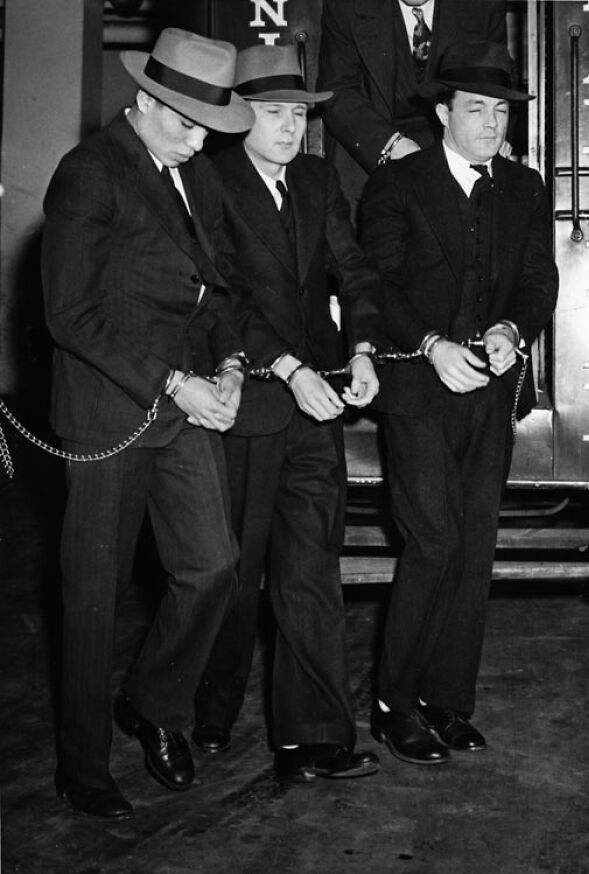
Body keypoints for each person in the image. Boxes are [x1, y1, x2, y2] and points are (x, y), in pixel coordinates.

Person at [42, 28, 262, 820]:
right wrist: (175, 382)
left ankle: (154, 703)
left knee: (212, 567)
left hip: (186, 408)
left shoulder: (190, 175)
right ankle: (81, 767)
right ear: (142, 101)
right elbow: (70, 315)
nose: (199, 138)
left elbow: (222, 291)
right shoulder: (89, 175)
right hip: (111, 413)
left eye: (208, 124)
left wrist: (232, 366)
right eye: (186, 121)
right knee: (93, 594)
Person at [359, 40, 558, 765]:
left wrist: (512, 328)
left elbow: (539, 280)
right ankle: (393, 702)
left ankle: (448, 702)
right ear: (443, 112)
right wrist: (435, 343)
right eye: (475, 109)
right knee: (434, 539)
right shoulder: (399, 184)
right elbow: (377, 286)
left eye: (500, 112)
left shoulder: (524, 189)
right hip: (418, 387)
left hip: (491, 392)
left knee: (474, 546)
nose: (490, 124)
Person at [193, 44, 384, 783]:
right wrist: (290, 367)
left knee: (310, 568)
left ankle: (314, 737)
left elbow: (356, 268)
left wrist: (363, 347)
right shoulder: (209, 182)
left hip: (316, 405)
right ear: (239, 115)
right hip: (247, 402)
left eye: (299, 114)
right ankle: (204, 709)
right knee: (232, 570)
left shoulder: (315, 178)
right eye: (274, 113)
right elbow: (225, 297)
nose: (290, 127)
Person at [317, 0, 507, 212]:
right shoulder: (347, 6)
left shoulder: (483, 6)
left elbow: (498, 85)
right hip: (373, 145)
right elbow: (337, 92)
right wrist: (391, 146)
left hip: (454, 145)